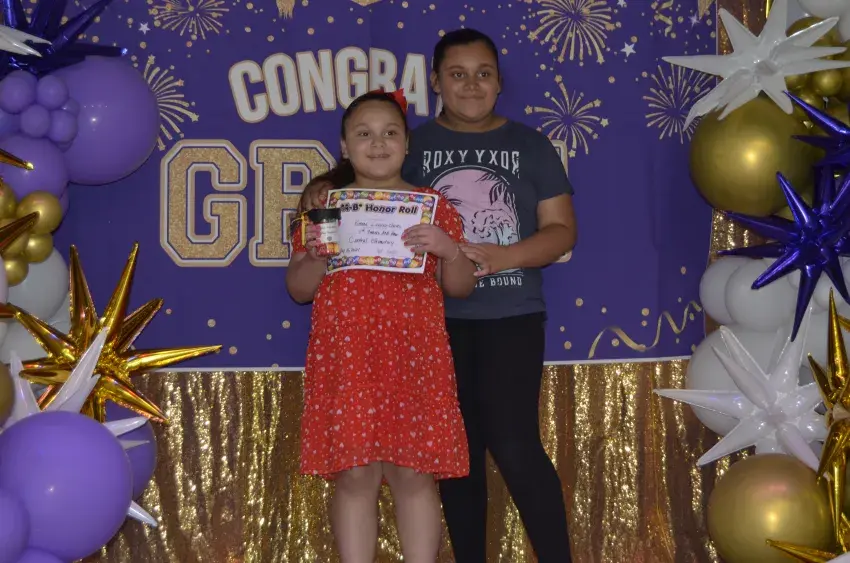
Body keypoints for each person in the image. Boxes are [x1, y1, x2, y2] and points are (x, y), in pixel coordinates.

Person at [299, 29, 577, 563]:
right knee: (447, 461)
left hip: (506, 314)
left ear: (499, 81)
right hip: (428, 328)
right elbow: (368, 176)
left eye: (483, 73)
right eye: (457, 74)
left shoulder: (530, 145)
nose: (471, 84)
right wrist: (322, 192)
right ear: (435, 82)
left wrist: (496, 256)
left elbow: (563, 231)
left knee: (514, 445)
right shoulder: (417, 142)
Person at [286, 89, 476, 563]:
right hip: (349, 358)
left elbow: (460, 287)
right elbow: (299, 289)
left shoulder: (433, 206)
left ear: (407, 143)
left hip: (415, 358)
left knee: (414, 474)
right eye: (364, 134)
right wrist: (316, 256)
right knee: (355, 475)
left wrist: (449, 249)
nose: (378, 143)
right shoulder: (325, 208)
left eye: (390, 133)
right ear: (344, 146)